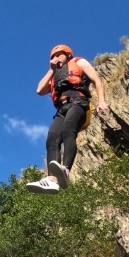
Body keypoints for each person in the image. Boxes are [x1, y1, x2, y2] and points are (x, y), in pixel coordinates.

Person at [26, 45, 109, 194]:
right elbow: (39, 90)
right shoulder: (54, 76)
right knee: (52, 139)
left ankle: (65, 170)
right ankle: (52, 180)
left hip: (78, 103)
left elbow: (97, 80)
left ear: (68, 55)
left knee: (68, 130)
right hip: (61, 109)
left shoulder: (79, 62)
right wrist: (51, 70)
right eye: (53, 57)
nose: (55, 59)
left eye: (59, 55)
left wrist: (101, 101)